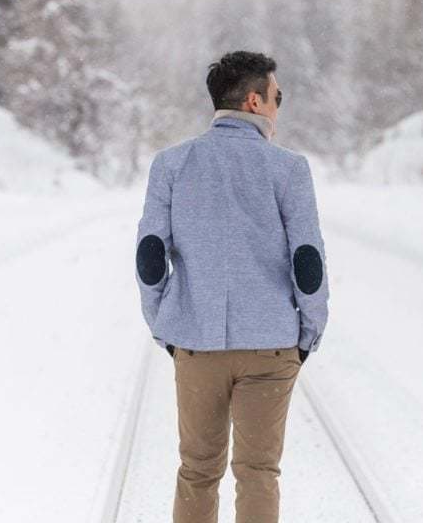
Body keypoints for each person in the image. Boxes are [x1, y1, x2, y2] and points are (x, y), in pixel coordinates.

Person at [134, 50, 330, 523]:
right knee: (258, 471)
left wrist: (165, 324)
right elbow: (309, 260)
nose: (280, 107)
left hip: (196, 343)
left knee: (197, 471)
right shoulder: (288, 169)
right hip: (271, 345)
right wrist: (308, 333)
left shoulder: (172, 164)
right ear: (255, 100)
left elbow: (150, 255)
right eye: (278, 96)